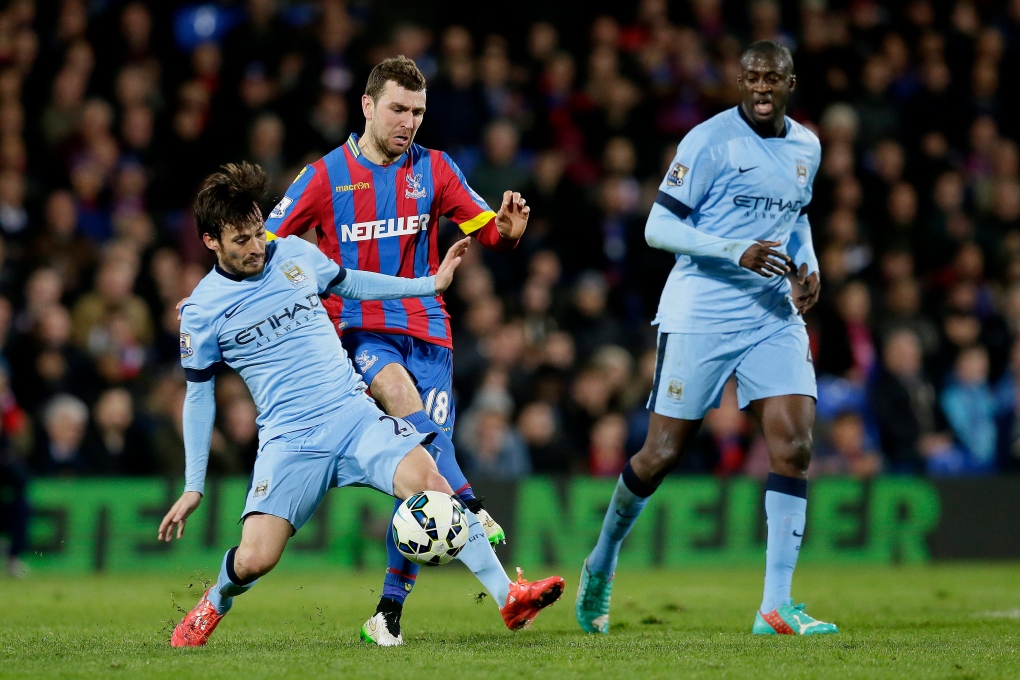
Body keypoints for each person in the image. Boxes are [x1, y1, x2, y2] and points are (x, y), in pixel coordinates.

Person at [160, 163, 562, 648]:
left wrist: (428, 286)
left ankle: (509, 598)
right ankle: (216, 601)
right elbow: (199, 395)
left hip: (353, 417)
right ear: (210, 242)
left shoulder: (294, 254)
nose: (255, 247)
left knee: (434, 484)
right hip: (290, 442)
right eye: (241, 240)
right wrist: (193, 484)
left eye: (257, 233)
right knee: (255, 559)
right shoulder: (202, 311)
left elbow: (353, 282)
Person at [263, 56, 530, 646]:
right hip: (358, 332)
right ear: (366, 105)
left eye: (418, 112)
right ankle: (472, 504)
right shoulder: (323, 177)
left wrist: (508, 230)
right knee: (404, 409)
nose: (409, 121)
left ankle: (388, 614)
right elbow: (264, 250)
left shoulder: (434, 169)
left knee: (421, 477)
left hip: (429, 335)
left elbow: (487, 228)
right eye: (398, 109)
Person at [575, 41, 838, 636]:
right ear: (740, 82)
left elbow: (796, 216)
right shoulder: (707, 141)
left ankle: (775, 607)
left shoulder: (808, 147)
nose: (762, 87)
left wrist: (808, 263)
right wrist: (733, 250)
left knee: (795, 444)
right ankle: (603, 560)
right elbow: (657, 226)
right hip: (702, 310)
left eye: (773, 78)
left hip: (772, 311)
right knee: (661, 453)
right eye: (752, 78)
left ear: (790, 82)